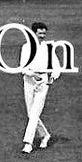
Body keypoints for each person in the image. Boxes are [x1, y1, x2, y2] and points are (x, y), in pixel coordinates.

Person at [21, 22, 62, 154]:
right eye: (40, 33)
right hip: (29, 81)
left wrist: (53, 77)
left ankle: (28, 143)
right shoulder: (26, 47)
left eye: (44, 33)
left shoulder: (48, 47)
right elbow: (23, 67)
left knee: (34, 114)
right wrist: (31, 74)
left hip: (43, 82)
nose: (43, 36)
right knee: (30, 113)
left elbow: (56, 66)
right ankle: (45, 135)